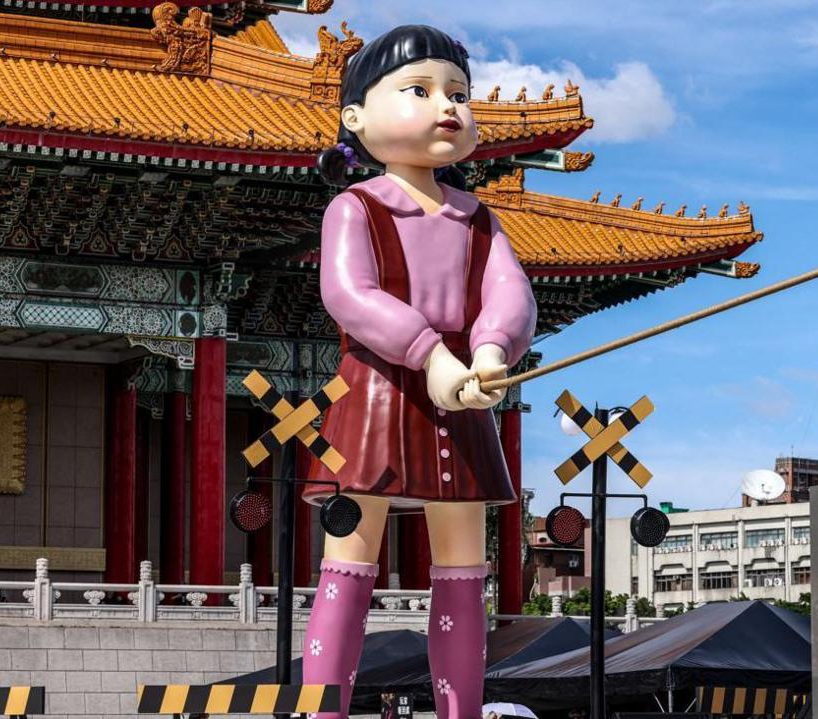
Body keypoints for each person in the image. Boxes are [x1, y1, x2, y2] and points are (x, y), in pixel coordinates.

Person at [302, 24, 537, 719]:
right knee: (351, 554)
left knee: (464, 564)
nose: (448, 106)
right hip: (377, 389)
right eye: (420, 90)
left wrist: (492, 350)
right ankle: (324, 710)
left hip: (464, 390)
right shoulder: (356, 207)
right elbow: (350, 295)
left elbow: (511, 295)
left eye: (460, 94)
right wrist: (431, 353)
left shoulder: (479, 218)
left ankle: (459, 710)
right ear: (356, 118)